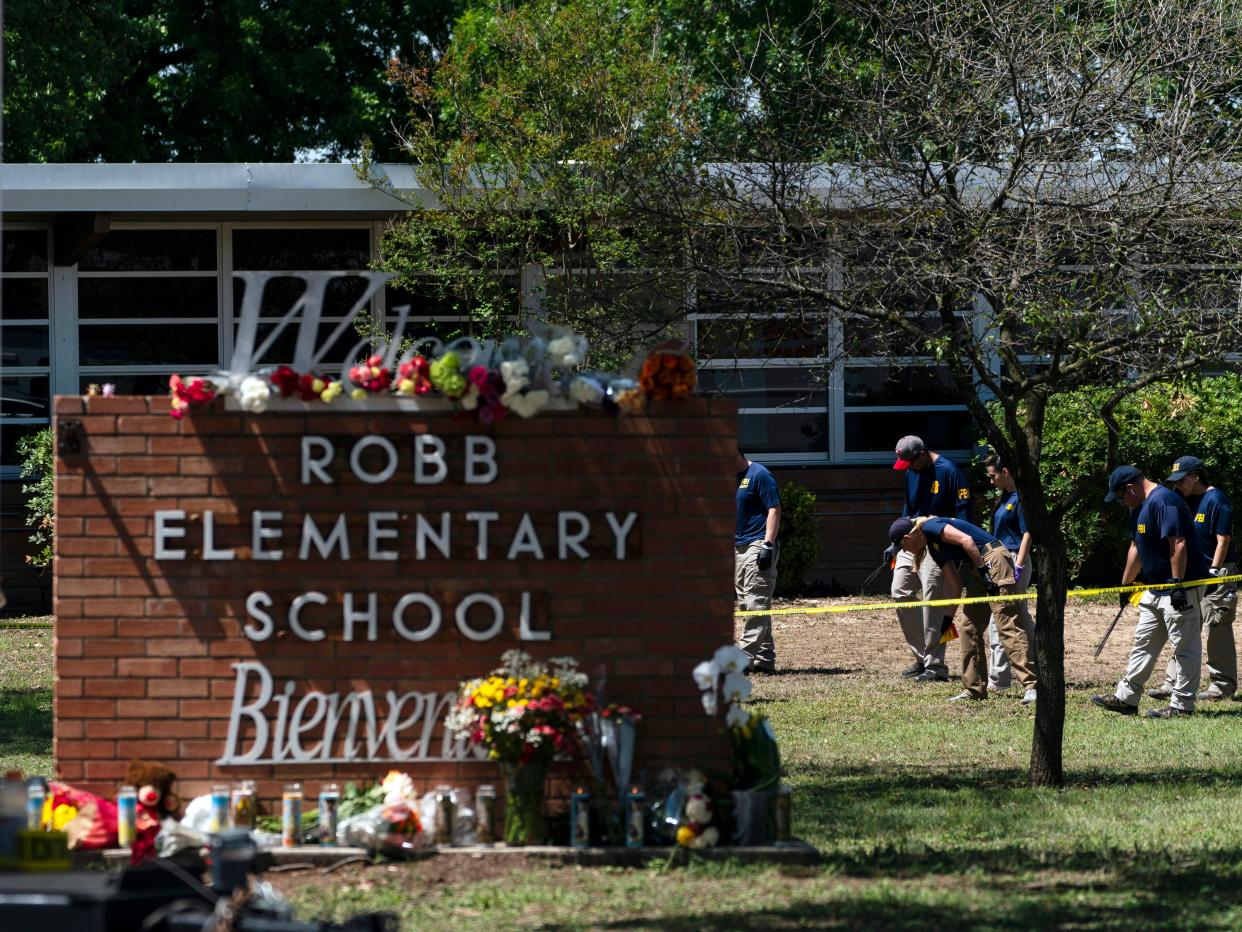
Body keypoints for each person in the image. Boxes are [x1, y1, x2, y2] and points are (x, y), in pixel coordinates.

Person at [1092, 465, 1209, 718]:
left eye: (1122, 496)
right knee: (1143, 643)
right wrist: (1125, 585)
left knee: (1185, 648)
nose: (1122, 502)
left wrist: (1177, 584)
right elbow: (1136, 546)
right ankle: (1127, 698)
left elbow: (1177, 543)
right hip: (1154, 590)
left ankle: (1182, 706)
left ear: (1130, 488)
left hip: (1179, 589)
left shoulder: (1163, 501)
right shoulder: (1138, 507)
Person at [888, 514, 1038, 705]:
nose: (904, 551)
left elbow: (966, 541)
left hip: (992, 559)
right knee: (969, 628)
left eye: (901, 547)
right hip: (979, 566)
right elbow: (955, 585)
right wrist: (947, 620)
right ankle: (974, 689)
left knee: (1006, 623)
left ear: (907, 538)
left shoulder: (931, 527)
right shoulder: (933, 549)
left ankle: (1032, 686)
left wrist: (985, 573)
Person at [1146, 456, 1236, 701]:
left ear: (1195, 476)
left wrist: (1215, 571)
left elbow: (1223, 539)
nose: (1177, 486)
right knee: (1184, 626)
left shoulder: (1216, 499)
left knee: (1217, 626)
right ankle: (1172, 681)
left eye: (1181, 480)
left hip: (1217, 572)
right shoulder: (1186, 501)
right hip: (1195, 574)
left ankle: (1222, 685)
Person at [887, 435, 971, 683]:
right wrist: (895, 542)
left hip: (938, 542)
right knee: (899, 592)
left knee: (932, 602)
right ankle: (922, 656)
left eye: (911, 462)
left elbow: (964, 515)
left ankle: (936, 667)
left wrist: (957, 551)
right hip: (911, 539)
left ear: (922, 454)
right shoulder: (911, 471)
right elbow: (907, 508)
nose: (909, 468)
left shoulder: (950, 472)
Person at [983, 455, 1036, 693]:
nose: (991, 481)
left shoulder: (1020, 499)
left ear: (1005, 472)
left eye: (993, 476)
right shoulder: (1003, 498)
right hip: (1000, 560)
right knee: (1021, 617)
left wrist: (1019, 564)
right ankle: (1040, 663)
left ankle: (999, 679)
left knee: (1000, 617)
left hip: (1013, 559)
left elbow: (1027, 533)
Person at [735, 447, 781, 673]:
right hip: (738, 548)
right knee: (749, 604)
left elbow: (774, 509)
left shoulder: (759, 474)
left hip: (757, 544)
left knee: (756, 602)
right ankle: (763, 659)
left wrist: (768, 544)